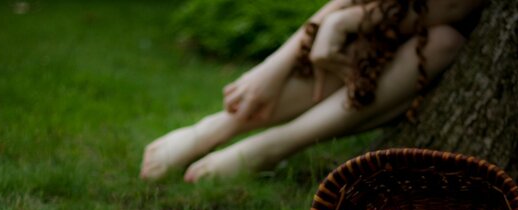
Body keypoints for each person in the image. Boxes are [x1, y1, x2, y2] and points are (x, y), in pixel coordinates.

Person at [140, 0, 485, 182]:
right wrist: (279, 62)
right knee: (365, 42)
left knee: (441, 42)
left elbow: (456, 6)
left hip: (435, 44)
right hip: (388, 28)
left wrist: (346, 20)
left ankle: (272, 145)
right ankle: (225, 124)